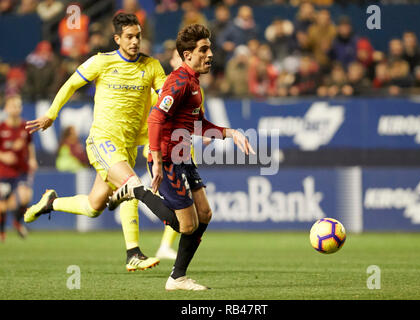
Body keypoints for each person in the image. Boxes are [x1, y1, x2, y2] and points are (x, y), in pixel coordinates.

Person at [108, 24, 255, 290]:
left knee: (205, 214)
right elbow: (155, 118)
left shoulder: (195, 84)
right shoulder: (177, 82)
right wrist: (157, 162)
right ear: (187, 55)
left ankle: (177, 277)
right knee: (186, 226)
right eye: (203, 49)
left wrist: (232, 133)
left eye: (209, 48)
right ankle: (137, 190)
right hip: (166, 159)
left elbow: (199, 125)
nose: (210, 54)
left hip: (183, 157)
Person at [24, 13, 175, 272]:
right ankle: (133, 253)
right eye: (129, 37)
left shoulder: (151, 66)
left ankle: (50, 202)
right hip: (102, 140)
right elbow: (71, 84)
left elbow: (164, 96)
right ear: (117, 39)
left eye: (138, 36)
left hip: (127, 145)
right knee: (131, 186)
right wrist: (51, 113)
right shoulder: (102, 62)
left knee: (94, 206)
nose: (135, 41)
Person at [0, 95, 38, 242]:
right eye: (13, 106)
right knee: (2, 206)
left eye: (18, 106)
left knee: (25, 196)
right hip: (4, 171)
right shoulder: (2, 127)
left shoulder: (25, 126)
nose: (16, 109)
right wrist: (4, 157)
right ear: (7, 108)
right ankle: (2, 232)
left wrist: (33, 159)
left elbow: (29, 144)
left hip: (21, 170)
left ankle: (17, 222)